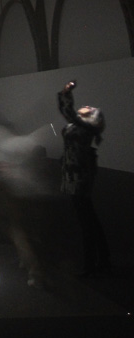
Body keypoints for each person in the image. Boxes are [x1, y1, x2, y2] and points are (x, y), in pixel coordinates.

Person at [57, 80, 110, 276]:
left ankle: (92, 265)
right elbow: (67, 112)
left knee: (87, 221)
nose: (87, 106)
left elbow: (68, 111)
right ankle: (102, 260)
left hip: (79, 176)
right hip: (76, 175)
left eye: (91, 108)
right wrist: (65, 92)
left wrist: (66, 92)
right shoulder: (78, 125)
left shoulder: (85, 127)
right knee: (89, 219)